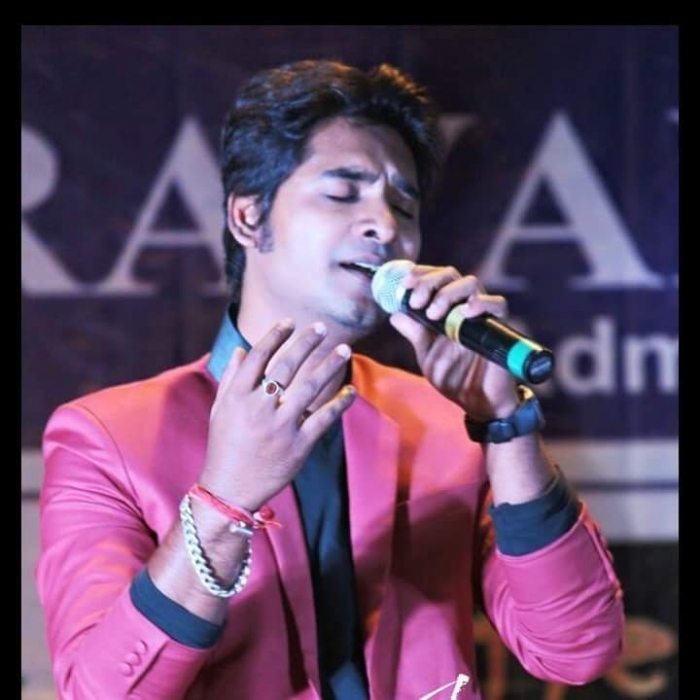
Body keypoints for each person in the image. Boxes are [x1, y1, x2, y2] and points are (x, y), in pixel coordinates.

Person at [36, 59, 625, 700]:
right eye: (343, 193)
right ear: (248, 217)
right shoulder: (106, 438)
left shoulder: (446, 422)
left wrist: (505, 426)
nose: (386, 227)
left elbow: (577, 649)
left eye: (403, 205)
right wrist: (225, 501)